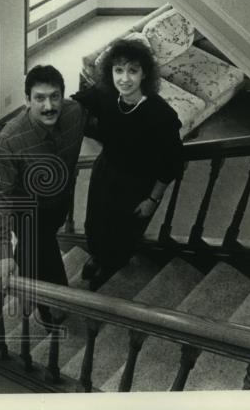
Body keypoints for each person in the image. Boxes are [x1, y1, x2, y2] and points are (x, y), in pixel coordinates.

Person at [72, 38, 184, 283]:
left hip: (137, 183)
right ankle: (98, 256)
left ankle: (111, 264)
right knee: (95, 221)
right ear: (110, 71)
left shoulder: (161, 116)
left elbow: (172, 162)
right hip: (106, 171)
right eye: (118, 70)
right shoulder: (106, 94)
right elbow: (77, 102)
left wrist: (153, 199)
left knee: (121, 231)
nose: (124, 78)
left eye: (132, 71)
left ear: (144, 74)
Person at [0, 65, 85, 326]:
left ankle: (24, 263)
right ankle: (50, 308)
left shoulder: (75, 113)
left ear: (63, 96)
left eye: (54, 96)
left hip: (58, 203)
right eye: (39, 98)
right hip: (26, 213)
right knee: (46, 256)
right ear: (27, 100)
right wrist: (3, 252)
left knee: (39, 247)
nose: (49, 106)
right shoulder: (10, 139)